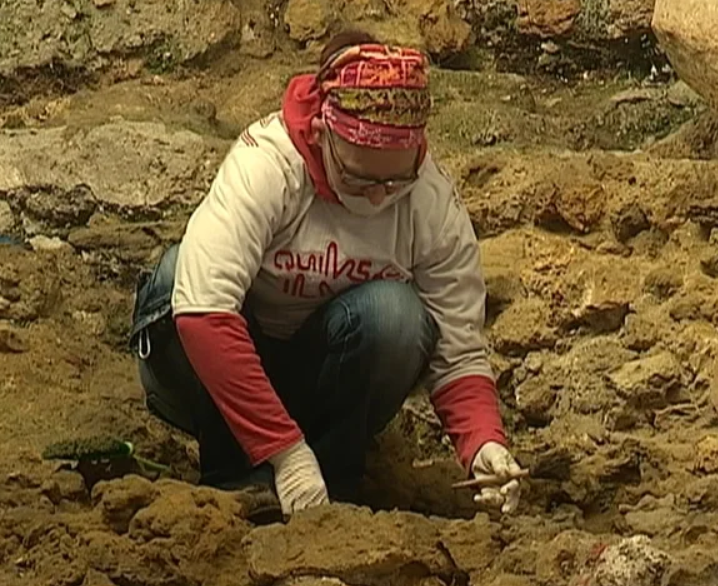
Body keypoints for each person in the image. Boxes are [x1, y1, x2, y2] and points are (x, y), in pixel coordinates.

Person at [129, 29, 524, 520]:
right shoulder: (267, 167)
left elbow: (459, 350)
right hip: (212, 373)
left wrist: (483, 444)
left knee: (397, 316)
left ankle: (333, 492)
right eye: (360, 176)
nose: (379, 197)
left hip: (328, 370)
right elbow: (204, 312)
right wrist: (285, 452)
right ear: (321, 133)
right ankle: (237, 474)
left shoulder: (430, 200)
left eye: (395, 181)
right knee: (176, 279)